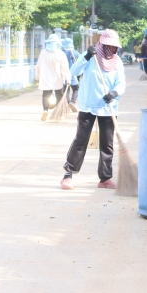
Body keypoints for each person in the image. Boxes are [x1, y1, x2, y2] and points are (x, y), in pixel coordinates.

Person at [60, 29, 126, 190]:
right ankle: (68, 175)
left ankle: (105, 178)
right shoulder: (90, 57)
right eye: (110, 46)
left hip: (108, 107)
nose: (113, 49)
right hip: (88, 106)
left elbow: (121, 82)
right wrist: (87, 56)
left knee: (107, 144)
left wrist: (114, 93)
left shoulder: (117, 61)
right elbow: (74, 72)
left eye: (115, 47)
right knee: (81, 140)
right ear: (103, 45)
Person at [36, 33, 71, 121]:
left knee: (46, 95)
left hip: (45, 78)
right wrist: (68, 79)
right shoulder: (60, 53)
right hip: (57, 79)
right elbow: (64, 68)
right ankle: (58, 114)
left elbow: (38, 66)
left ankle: (45, 110)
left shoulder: (43, 53)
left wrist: (37, 77)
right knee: (59, 95)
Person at [61, 38, 81, 112]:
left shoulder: (61, 53)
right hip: (73, 74)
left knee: (66, 90)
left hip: (63, 75)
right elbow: (81, 61)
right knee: (76, 89)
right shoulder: (75, 52)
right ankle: (72, 102)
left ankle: (67, 104)